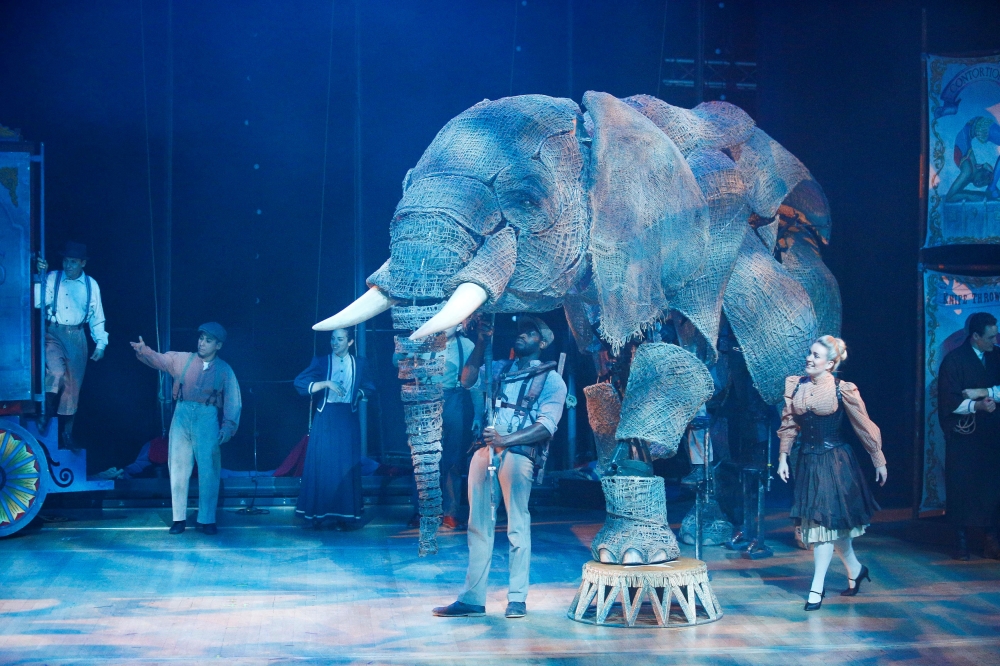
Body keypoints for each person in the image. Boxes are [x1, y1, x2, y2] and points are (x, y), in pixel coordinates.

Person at [433, 315, 567, 620]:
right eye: (520, 331)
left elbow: (546, 426)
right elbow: (466, 379)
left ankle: (517, 597)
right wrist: (481, 341)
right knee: (477, 524)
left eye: (531, 333)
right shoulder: (499, 368)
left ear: (542, 343)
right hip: (485, 452)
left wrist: (506, 439)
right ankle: (472, 598)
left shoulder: (551, 378)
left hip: (517, 455)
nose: (522, 336)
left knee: (518, 525)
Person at [776, 336, 887, 611]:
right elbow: (789, 424)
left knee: (824, 526)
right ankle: (856, 569)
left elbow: (863, 424)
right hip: (808, 462)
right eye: (809, 353)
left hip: (835, 461)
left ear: (830, 363)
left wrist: (878, 458)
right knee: (834, 528)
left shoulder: (842, 389)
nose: (809, 359)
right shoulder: (796, 386)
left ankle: (816, 588)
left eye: (816, 355)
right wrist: (782, 457)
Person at [131, 323, 241, 535]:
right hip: (182, 414)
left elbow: (233, 401)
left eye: (208, 340)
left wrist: (228, 428)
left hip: (207, 417)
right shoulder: (183, 359)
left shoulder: (225, 370)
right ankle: (178, 518)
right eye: (201, 338)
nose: (202, 343)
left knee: (209, 469)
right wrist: (145, 350)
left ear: (218, 345)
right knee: (178, 466)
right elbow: (160, 360)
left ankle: (207, 519)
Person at [293, 328, 375, 529]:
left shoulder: (359, 362)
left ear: (350, 342)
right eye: (332, 339)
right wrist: (325, 383)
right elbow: (300, 383)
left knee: (345, 467)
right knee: (323, 466)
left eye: (340, 339)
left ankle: (345, 516)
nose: (335, 343)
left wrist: (359, 393)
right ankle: (318, 515)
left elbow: (370, 386)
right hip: (326, 418)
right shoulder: (321, 361)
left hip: (347, 419)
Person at [937, 312, 1000, 560]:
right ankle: (961, 540)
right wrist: (976, 406)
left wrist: (985, 392)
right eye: (990, 337)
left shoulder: (998, 357)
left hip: (993, 435)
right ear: (975, 337)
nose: (994, 341)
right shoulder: (954, 361)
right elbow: (949, 400)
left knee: (993, 487)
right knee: (962, 487)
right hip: (966, 437)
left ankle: (991, 540)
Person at [36, 241, 108, 449]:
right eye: (66, 261)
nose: (68, 266)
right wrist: (41, 276)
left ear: (82, 263)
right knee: (55, 373)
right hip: (54, 333)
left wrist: (101, 344)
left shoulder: (90, 285)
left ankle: (67, 434)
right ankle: (45, 412)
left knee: (72, 387)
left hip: (77, 336)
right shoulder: (53, 278)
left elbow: (97, 316)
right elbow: (38, 302)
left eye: (73, 262)